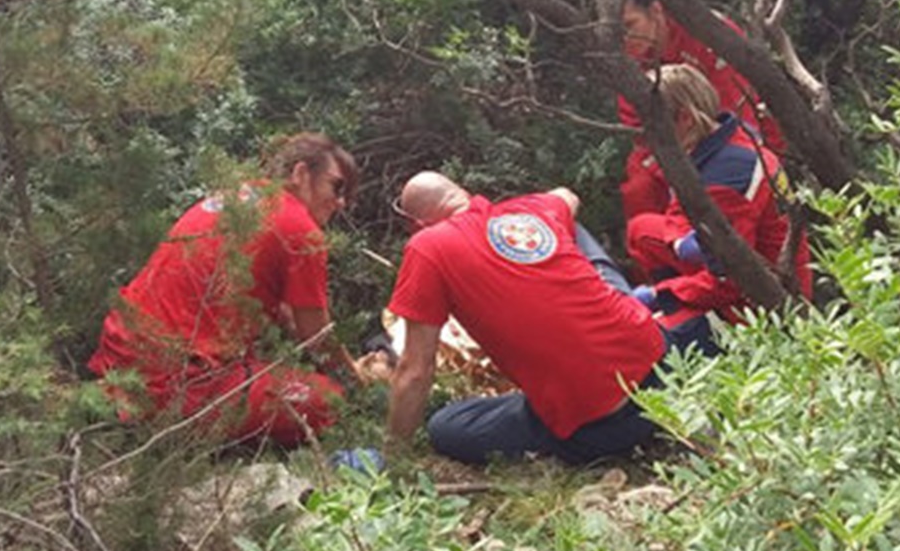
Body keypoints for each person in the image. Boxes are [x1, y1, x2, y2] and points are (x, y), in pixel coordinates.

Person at [385, 171, 684, 467]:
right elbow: (567, 197)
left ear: (417, 225)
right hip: (668, 368)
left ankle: (569, 432)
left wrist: (393, 456)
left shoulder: (427, 247)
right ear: (463, 193)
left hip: (606, 424)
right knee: (566, 220)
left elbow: (415, 371)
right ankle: (621, 304)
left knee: (446, 425)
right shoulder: (531, 210)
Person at [89, 132, 361, 447]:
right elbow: (317, 337)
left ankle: (120, 403)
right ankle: (167, 423)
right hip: (182, 381)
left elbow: (288, 316)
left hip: (123, 356)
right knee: (329, 400)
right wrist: (356, 379)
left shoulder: (235, 197)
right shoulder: (300, 228)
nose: (341, 202)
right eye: (337, 187)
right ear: (300, 173)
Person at [625, 64, 811, 324]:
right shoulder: (724, 143)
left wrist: (661, 294)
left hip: (761, 304)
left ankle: (681, 317)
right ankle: (676, 307)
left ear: (685, 119)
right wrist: (678, 239)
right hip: (759, 264)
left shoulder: (728, 175)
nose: (644, 135)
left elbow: (731, 279)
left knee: (654, 342)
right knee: (641, 230)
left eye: (652, 124)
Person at [617, 0, 784, 233]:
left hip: (732, 136)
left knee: (728, 188)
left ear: (655, 11)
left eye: (630, 25)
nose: (625, 39)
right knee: (640, 192)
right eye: (618, 32)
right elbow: (638, 127)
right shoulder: (631, 57)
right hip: (674, 143)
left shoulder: (705, 32)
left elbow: (739, 117)